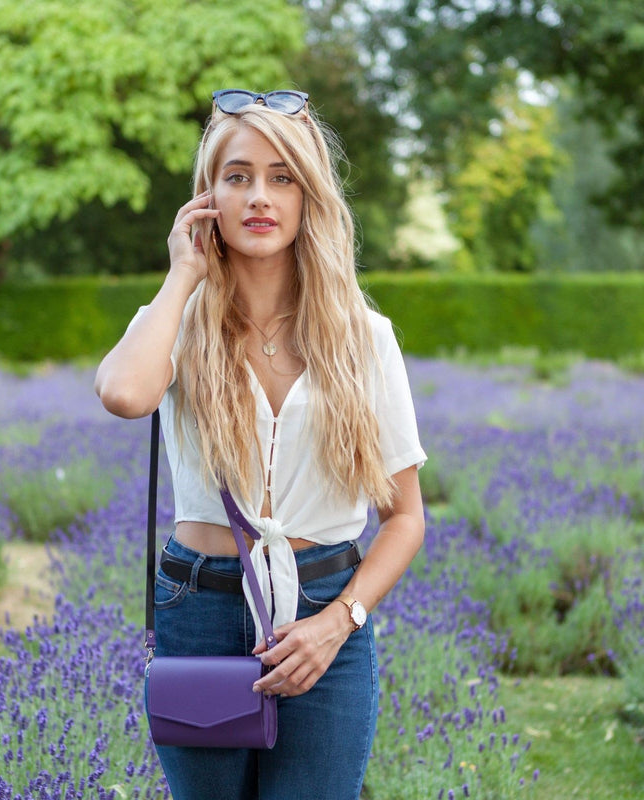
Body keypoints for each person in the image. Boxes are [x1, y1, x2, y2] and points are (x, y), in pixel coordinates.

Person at [94, 88, 426, 800]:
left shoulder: (364, 338)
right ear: (207, 196)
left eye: (282, 178)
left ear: (309, 198)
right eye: (237, 176)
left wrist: (339, 622)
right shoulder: (175, 322)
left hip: (325, 608)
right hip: (200, 605)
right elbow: (124, 394)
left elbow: (405, 518)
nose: (259, 196)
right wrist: (183, 274)